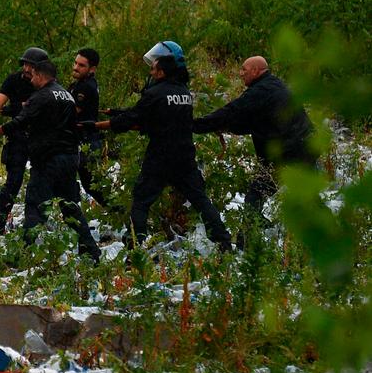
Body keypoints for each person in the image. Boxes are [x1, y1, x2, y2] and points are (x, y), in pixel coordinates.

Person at [103, 48, 232, 252]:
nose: (151, 73)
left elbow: (135, 117)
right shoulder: (184, 93)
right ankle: (224, 242)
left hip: (160, 157)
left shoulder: (155, 93)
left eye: (154, 69)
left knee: (141, 201)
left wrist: (105, 123)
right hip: (184, 155)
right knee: (200, 200)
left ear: (162, 72)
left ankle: (134, 248)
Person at [0, 60, 102, 263]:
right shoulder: (67, 95)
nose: (31, 79)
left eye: (33, 75)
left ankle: (22, 254)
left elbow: (19, 123)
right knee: (71, 207)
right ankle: (91, 251)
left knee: (35, 206)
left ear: (41, 76)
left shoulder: (41, 97)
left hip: (48, 160)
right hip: (70, 158)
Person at [193, 56, 315, 215]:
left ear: (256, 71)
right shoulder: (273, 85)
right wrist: (226, 127)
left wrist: (195, 125)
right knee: (308, 200)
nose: (240, 73)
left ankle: (250, 236)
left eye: (244, 69)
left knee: (254, 199)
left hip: (290, 152)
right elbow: (255, 122)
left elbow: (232, 111)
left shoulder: (261, 91)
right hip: (303, 147)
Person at [0, 47, 48, 232]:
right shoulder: (13, 80)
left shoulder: (46, 85)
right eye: (25, 64)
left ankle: (37, 224)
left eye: (31, 65)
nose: (27, 69)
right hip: (17, 136)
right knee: (13, 182)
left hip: (39, 138)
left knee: (42, 182)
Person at [68, 48, 107, 206]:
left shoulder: (86, 87)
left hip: (86, 142)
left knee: (92, 185)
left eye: (81, 65)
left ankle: (120, 213)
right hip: (81, 140)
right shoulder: (79, 84)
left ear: (92, 69)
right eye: (75, 63)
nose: (76, 67)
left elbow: (72, 112)